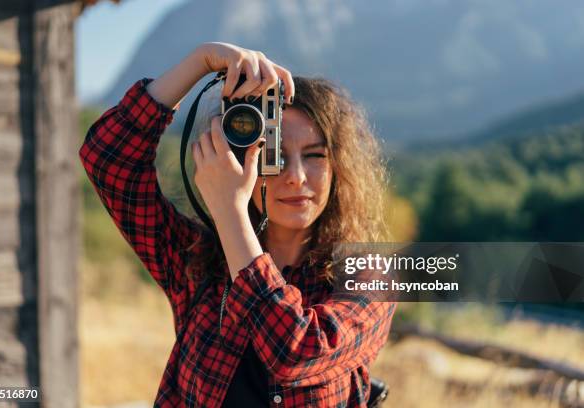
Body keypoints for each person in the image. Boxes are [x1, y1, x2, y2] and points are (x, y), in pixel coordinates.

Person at [79, 42, 396, 407]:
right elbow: (107, 157)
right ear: (238, 157)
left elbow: (296, 353)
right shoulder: (197, 264)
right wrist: (200, 61)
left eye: (314, 156)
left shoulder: (371, 275)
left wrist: (231, 212)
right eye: (273, 154)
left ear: (338, 167)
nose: (295, 177)